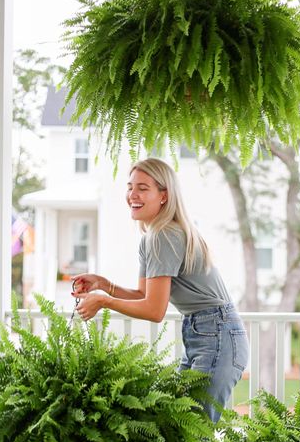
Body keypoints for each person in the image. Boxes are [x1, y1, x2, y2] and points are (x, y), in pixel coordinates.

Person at [71, 157, 249, 422]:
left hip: (217, 337)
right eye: (130, 187)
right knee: (177, 428)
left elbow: (154, 310)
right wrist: (104, 285)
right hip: (207, 335)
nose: (132, 194)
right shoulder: (152, 238)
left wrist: (104, 301)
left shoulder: (163, 235)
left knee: (192, 436)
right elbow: (145, 297)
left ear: (163, 196)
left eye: (143, 188)